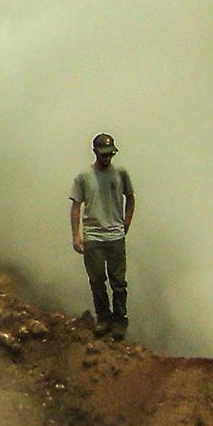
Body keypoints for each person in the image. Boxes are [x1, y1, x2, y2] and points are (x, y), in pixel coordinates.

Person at [68, 133, 135, 340]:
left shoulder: (121, 173)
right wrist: (76, 236)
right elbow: (76, 207)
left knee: (118, 282)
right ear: (95, 152)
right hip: (93, 235)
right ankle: (103, 318)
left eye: (110, 154)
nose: (107, 158)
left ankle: (120, 321)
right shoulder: (83, 177)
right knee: (97, 280)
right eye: (103, 154)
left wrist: (126, 223)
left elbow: (131, 198)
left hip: (115, 234)